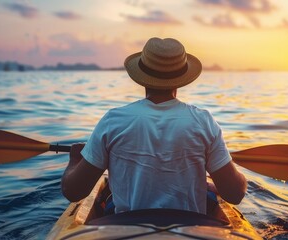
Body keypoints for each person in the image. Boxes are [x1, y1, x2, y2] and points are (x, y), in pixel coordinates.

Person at [61, 37, 247, 214]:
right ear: (182, 77)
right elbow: (235, 194)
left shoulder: (113, 120)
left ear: (141, 75)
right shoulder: (204, 122)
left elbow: (74, 192)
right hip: (189, 226)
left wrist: (75, 159)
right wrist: (233, 171)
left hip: (127, 227)